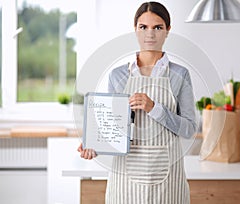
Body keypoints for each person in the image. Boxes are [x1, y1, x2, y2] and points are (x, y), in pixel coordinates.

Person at [78, 2, 197, 203]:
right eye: (143, 27)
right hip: (126, 181)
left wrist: (155, 108)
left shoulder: (180, 75)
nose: (150, 34)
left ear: (168, 30)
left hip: (167, 182)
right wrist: (94, 145)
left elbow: (189, 129)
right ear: (135, 29)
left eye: (157, 27)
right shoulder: (117, 76)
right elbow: (114, 131)